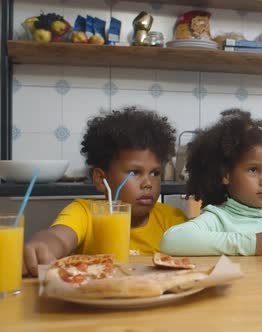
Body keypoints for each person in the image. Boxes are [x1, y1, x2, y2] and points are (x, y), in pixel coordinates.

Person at [22, 107, 187, 276]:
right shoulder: (84, 213)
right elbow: (57, 238)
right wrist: (41, 246)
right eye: (135, 172)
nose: (147, 184)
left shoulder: (172, 219)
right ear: (101, 180)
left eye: (155, 173)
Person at [160, 109, 262, 256]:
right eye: (253, 170)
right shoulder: (217, 219)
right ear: (226, 175)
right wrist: (252, 244)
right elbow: (171, 241)